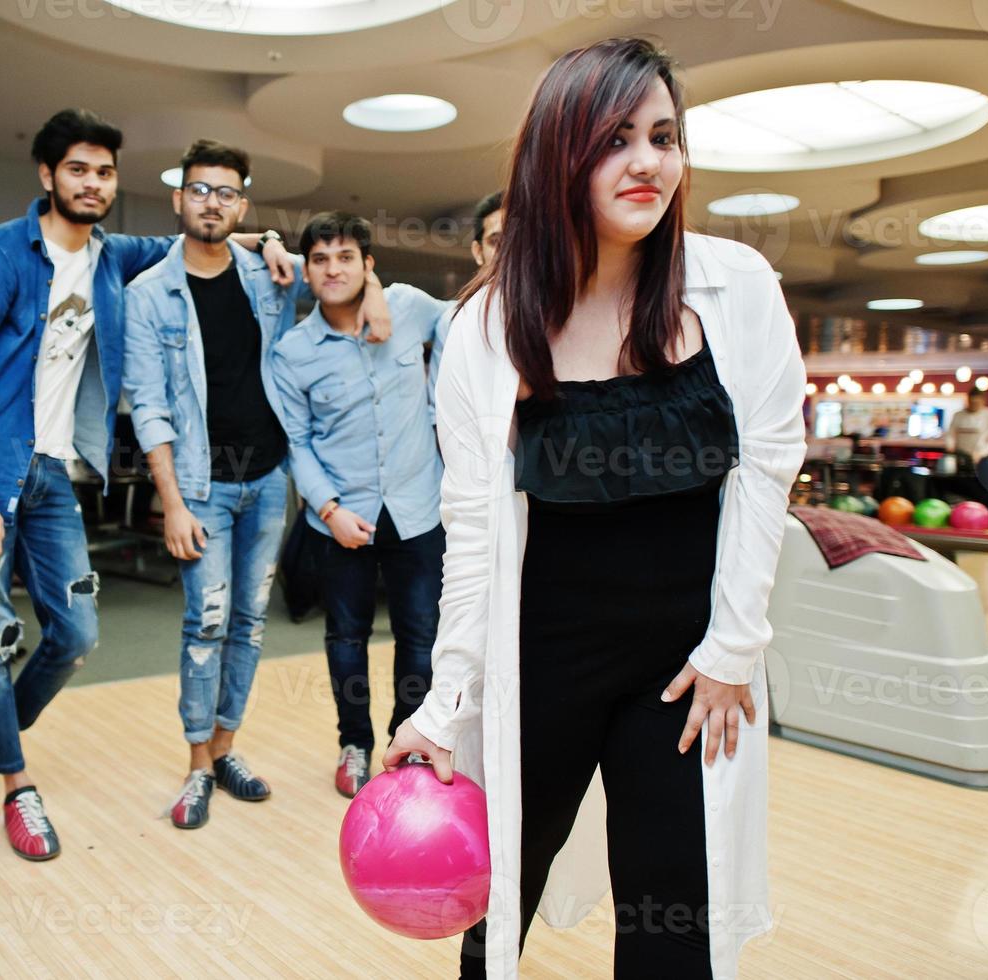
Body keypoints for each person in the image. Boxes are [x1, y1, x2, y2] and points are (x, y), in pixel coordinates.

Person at [382, 38, 807, 978]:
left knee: (672, 920)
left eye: (663, 136)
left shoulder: (735, 287)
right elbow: (476, 528)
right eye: (615, 139)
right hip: (541, 656)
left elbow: (769, 467)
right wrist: (447, 701)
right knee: (498, 904)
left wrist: (732, 646)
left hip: (687, 670)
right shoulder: (486, 327)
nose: (647, 161)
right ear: (557, 155)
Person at [0, 112, 295, 862]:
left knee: (77, 636)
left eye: (104, 173)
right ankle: (16, 784)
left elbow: (200, 241)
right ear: (46, 175)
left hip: (52, 471)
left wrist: (271, 240)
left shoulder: (110, 254)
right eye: (78, 170)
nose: (92, 184)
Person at [122, 141, 394, 830]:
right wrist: (172, 503)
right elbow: (147, 406)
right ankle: (194, 769)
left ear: (240, 203)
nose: (210, 202)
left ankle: (224, 751)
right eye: (198, 190)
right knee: (203, 624)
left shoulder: (266, 276)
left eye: (225, 192)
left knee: (246, 625)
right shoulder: (148, 295)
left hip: (268, 481)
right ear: (178, 200)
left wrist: (372, 288)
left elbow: (345, 272)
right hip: (200, 487)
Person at [271, 211, 450, 798]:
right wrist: (326, 510)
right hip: (341, 518)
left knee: (419, 636)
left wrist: (441, 409)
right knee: (345, 637)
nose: (332, 269)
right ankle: (355, 743)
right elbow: (295, 442)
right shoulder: (293, 351)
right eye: (319, 259)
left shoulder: (409, 306)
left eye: (347, 257)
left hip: (419, 506)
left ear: (368, 265)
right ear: (306, 271)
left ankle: (409, 739)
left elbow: (461, 327)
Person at [429, 191, 503, 419]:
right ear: (478, 252)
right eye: (496, 241)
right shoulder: (454, 321)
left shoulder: (559, 311)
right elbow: (441, 414)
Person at [946, 386, 988, 505]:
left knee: (982, 491)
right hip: (960, 458)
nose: (974, 405)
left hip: (981, 459)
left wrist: (980, 454)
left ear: (983, 401)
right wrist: (950, 446)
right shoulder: (958, 415)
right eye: (971, 402)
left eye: (977, 402)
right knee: (958, 489)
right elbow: (950, 434)